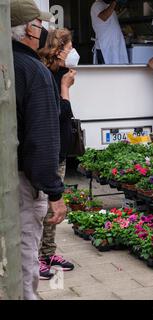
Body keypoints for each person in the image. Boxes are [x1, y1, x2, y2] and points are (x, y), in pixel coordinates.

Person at [10, 0, 67, 300]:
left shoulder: (8, 63)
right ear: (27, 31)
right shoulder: (34, 71)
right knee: (23, 254)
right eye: (39, 24)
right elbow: (42, 139)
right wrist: (54, 193)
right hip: (22, 181)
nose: (44, 30)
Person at [38, 28, 78, 279]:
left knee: (54, 209)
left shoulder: (62, 73)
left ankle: (48, 252)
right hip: (49, 149)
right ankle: (35, 258)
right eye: (69, 47)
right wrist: (65, 88)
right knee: (43, 207)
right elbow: (56, 115)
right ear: (57, 49)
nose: (73, 52)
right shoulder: (47, 76)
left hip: (60, 148)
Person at [90, 0, 129, 65]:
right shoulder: (96, 5)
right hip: (105, 47)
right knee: (107, 72)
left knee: (117, 71)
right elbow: (104, 17)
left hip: (114, 46)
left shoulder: (107, 6)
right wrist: (114, 2)